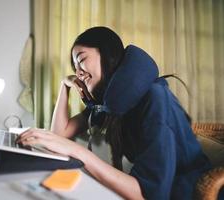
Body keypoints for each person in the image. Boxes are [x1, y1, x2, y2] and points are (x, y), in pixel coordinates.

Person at [16, 26, 213, 199]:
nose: (78, 73)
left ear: (107, 55)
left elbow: (147, 194)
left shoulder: (155, 99)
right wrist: (64, 86)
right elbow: (60, 135)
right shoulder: (111, 102)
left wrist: (78, 152)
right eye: (75, 68)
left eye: (82, 60)